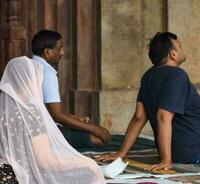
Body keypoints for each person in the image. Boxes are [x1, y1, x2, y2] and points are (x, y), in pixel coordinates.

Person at [97, 32, 200, 170]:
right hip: (193, 152)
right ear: (173, 54)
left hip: (178, 153)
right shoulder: (177, 75)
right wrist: (166, 160)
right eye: (179, 47)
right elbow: (163, 116)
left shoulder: (148, 76)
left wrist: (121, 154)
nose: (182, 49)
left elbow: (139, 117)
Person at [0, 56, 106, 184]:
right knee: (89, 171)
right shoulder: (30, 112)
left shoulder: (3, 107)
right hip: (17, 177)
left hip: (3, 171)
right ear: (29, 81)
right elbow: (45, 160)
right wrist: (86, 163)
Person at [31, 30, 111, 148]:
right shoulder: (47, 72)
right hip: (39, 133)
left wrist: (75, 119)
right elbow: (56, 116)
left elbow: (45, 109)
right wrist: (95, 129)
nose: (62, 53)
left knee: (76, 125)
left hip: (24, 128)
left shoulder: (29, 66)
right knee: (100, 139)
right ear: (47, 52)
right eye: (59, 48)